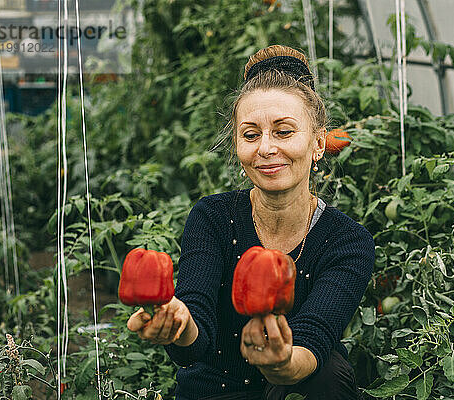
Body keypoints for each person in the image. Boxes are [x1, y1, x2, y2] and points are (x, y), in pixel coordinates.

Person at [126, 45, 375, 400]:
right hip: (212, 392)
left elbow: (313, 339)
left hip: (292, 393)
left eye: (284, 132)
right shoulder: (213, 218)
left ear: (319, 143)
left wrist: (282, 363)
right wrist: (177, 323)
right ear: (237, 145)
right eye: (251, 134)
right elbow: (195, 335)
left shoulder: (347, 241)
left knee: (329, 373)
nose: (266, 149)